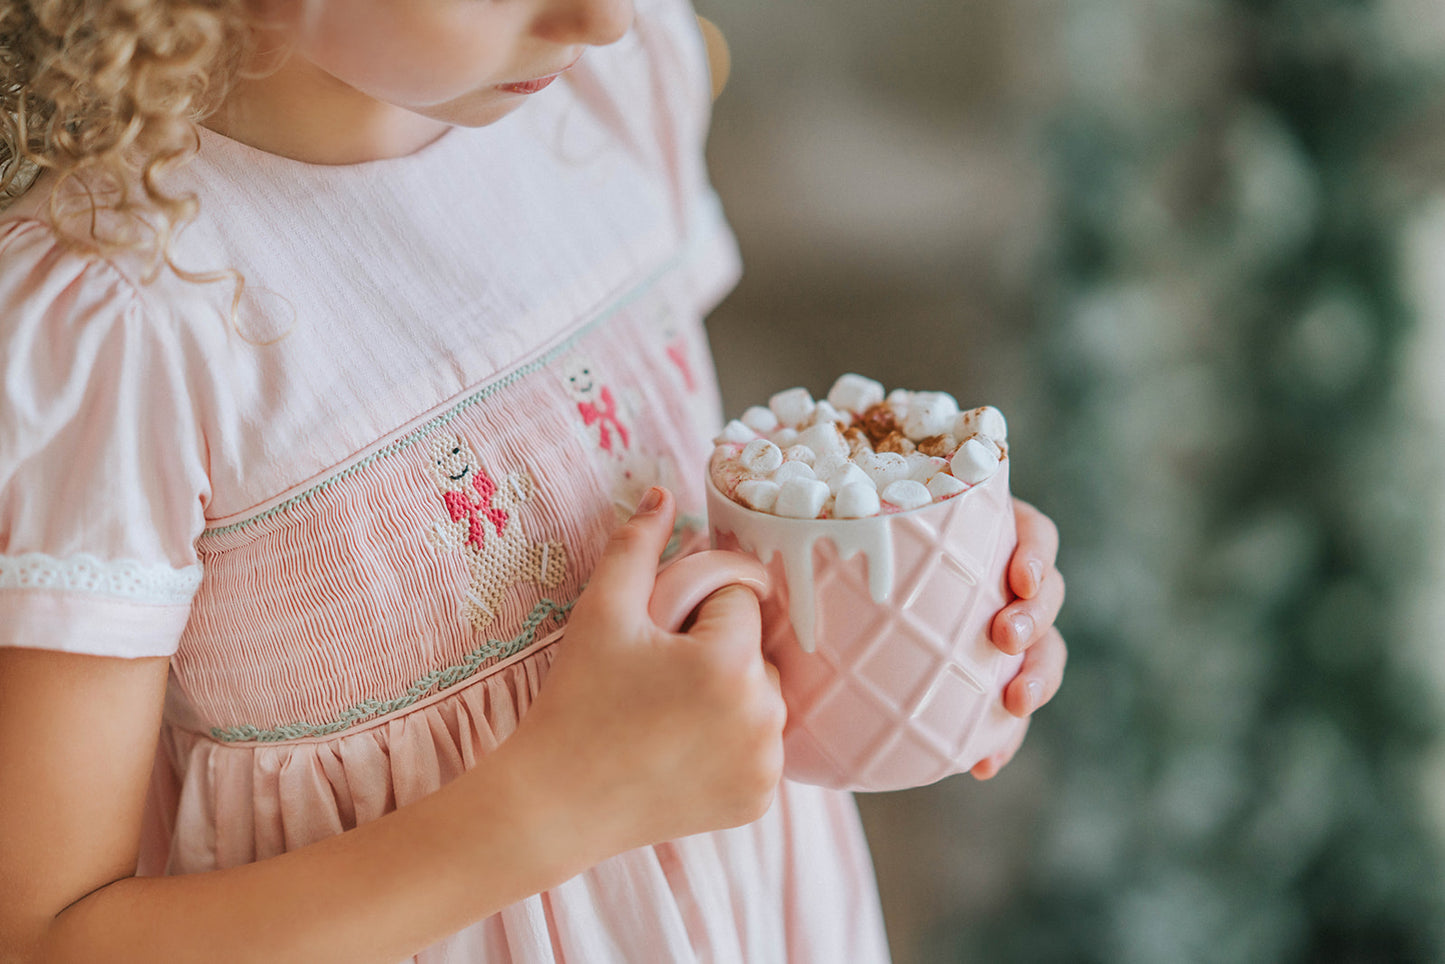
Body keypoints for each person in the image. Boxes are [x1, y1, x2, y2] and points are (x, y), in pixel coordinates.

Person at [0, 0, 1069, 960]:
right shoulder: (120, 318)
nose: (601, 17)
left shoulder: (602, 98)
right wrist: (553, 808)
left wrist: (896, 596)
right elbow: (49, 933)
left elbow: (657, 551)